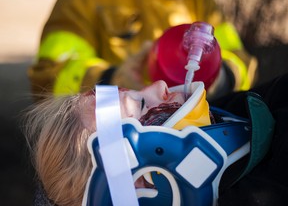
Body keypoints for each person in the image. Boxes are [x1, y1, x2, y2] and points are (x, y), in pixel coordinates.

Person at [23, 73, 288, 206]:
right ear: (144, 181)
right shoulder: (263, 192)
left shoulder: (229, 116)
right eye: (140, 105)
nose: (161, 85)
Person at [28, 0, 257, 100]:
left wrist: (222, 77)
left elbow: (241, 60)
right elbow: (48, 77)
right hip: (110, 146)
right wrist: (112, 81)